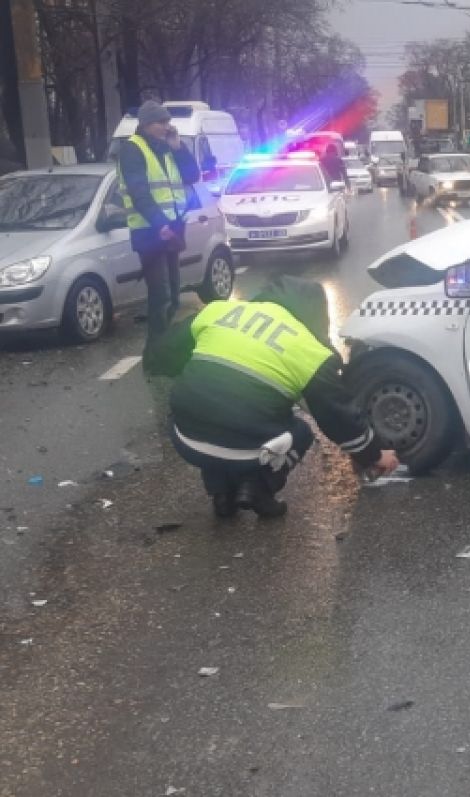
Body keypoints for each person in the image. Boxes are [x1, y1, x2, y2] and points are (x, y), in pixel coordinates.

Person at [144, 275, 400, 518]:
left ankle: (221, 494)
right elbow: (338, 418)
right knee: (301, 431)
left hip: (184, 437)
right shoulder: (310, 350)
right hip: (243, 451)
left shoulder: (218, 311)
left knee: (210, 410)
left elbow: (159, 358)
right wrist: (375, 455)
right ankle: (260, 486)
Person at [116, 100, 200, 344]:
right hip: (150, 231)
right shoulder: (133, 149)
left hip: (171, 227)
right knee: (161, 295)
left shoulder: (166, 148)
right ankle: (157, 351)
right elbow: (138, 191)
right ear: (146, 124)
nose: (166, 126)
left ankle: (166, 346)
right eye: (161, 122)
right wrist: (159, 223)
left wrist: (178, 148)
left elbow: (192, 176)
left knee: (173, 294)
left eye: (167, 122)